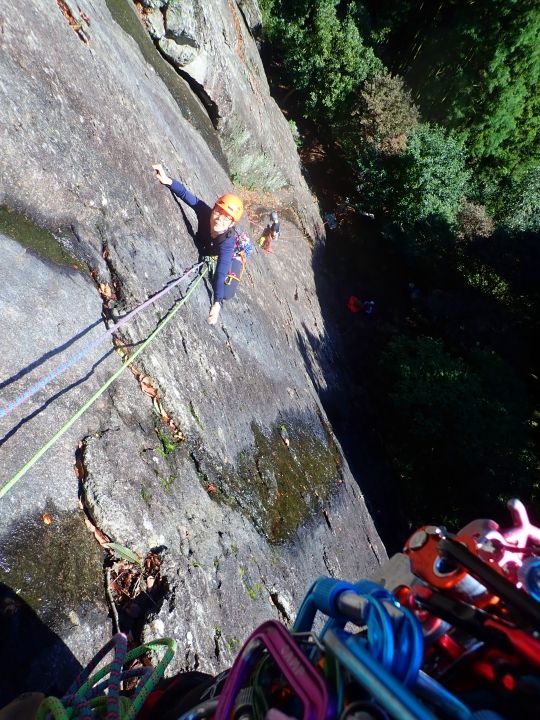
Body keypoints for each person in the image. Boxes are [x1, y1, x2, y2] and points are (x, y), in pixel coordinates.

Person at [153, 163, 244, 325]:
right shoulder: (205, 212)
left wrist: (217, 302)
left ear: (231, 224)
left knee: (227, 292)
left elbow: (221, 272)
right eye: (219, 212)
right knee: (202, 245)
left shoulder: (227, 243)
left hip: (227, 254)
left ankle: (238, 261)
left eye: (227, 218)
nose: (219, 219)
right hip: (207, 245)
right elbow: (186, 195)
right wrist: (167, 180)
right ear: (214, 209)